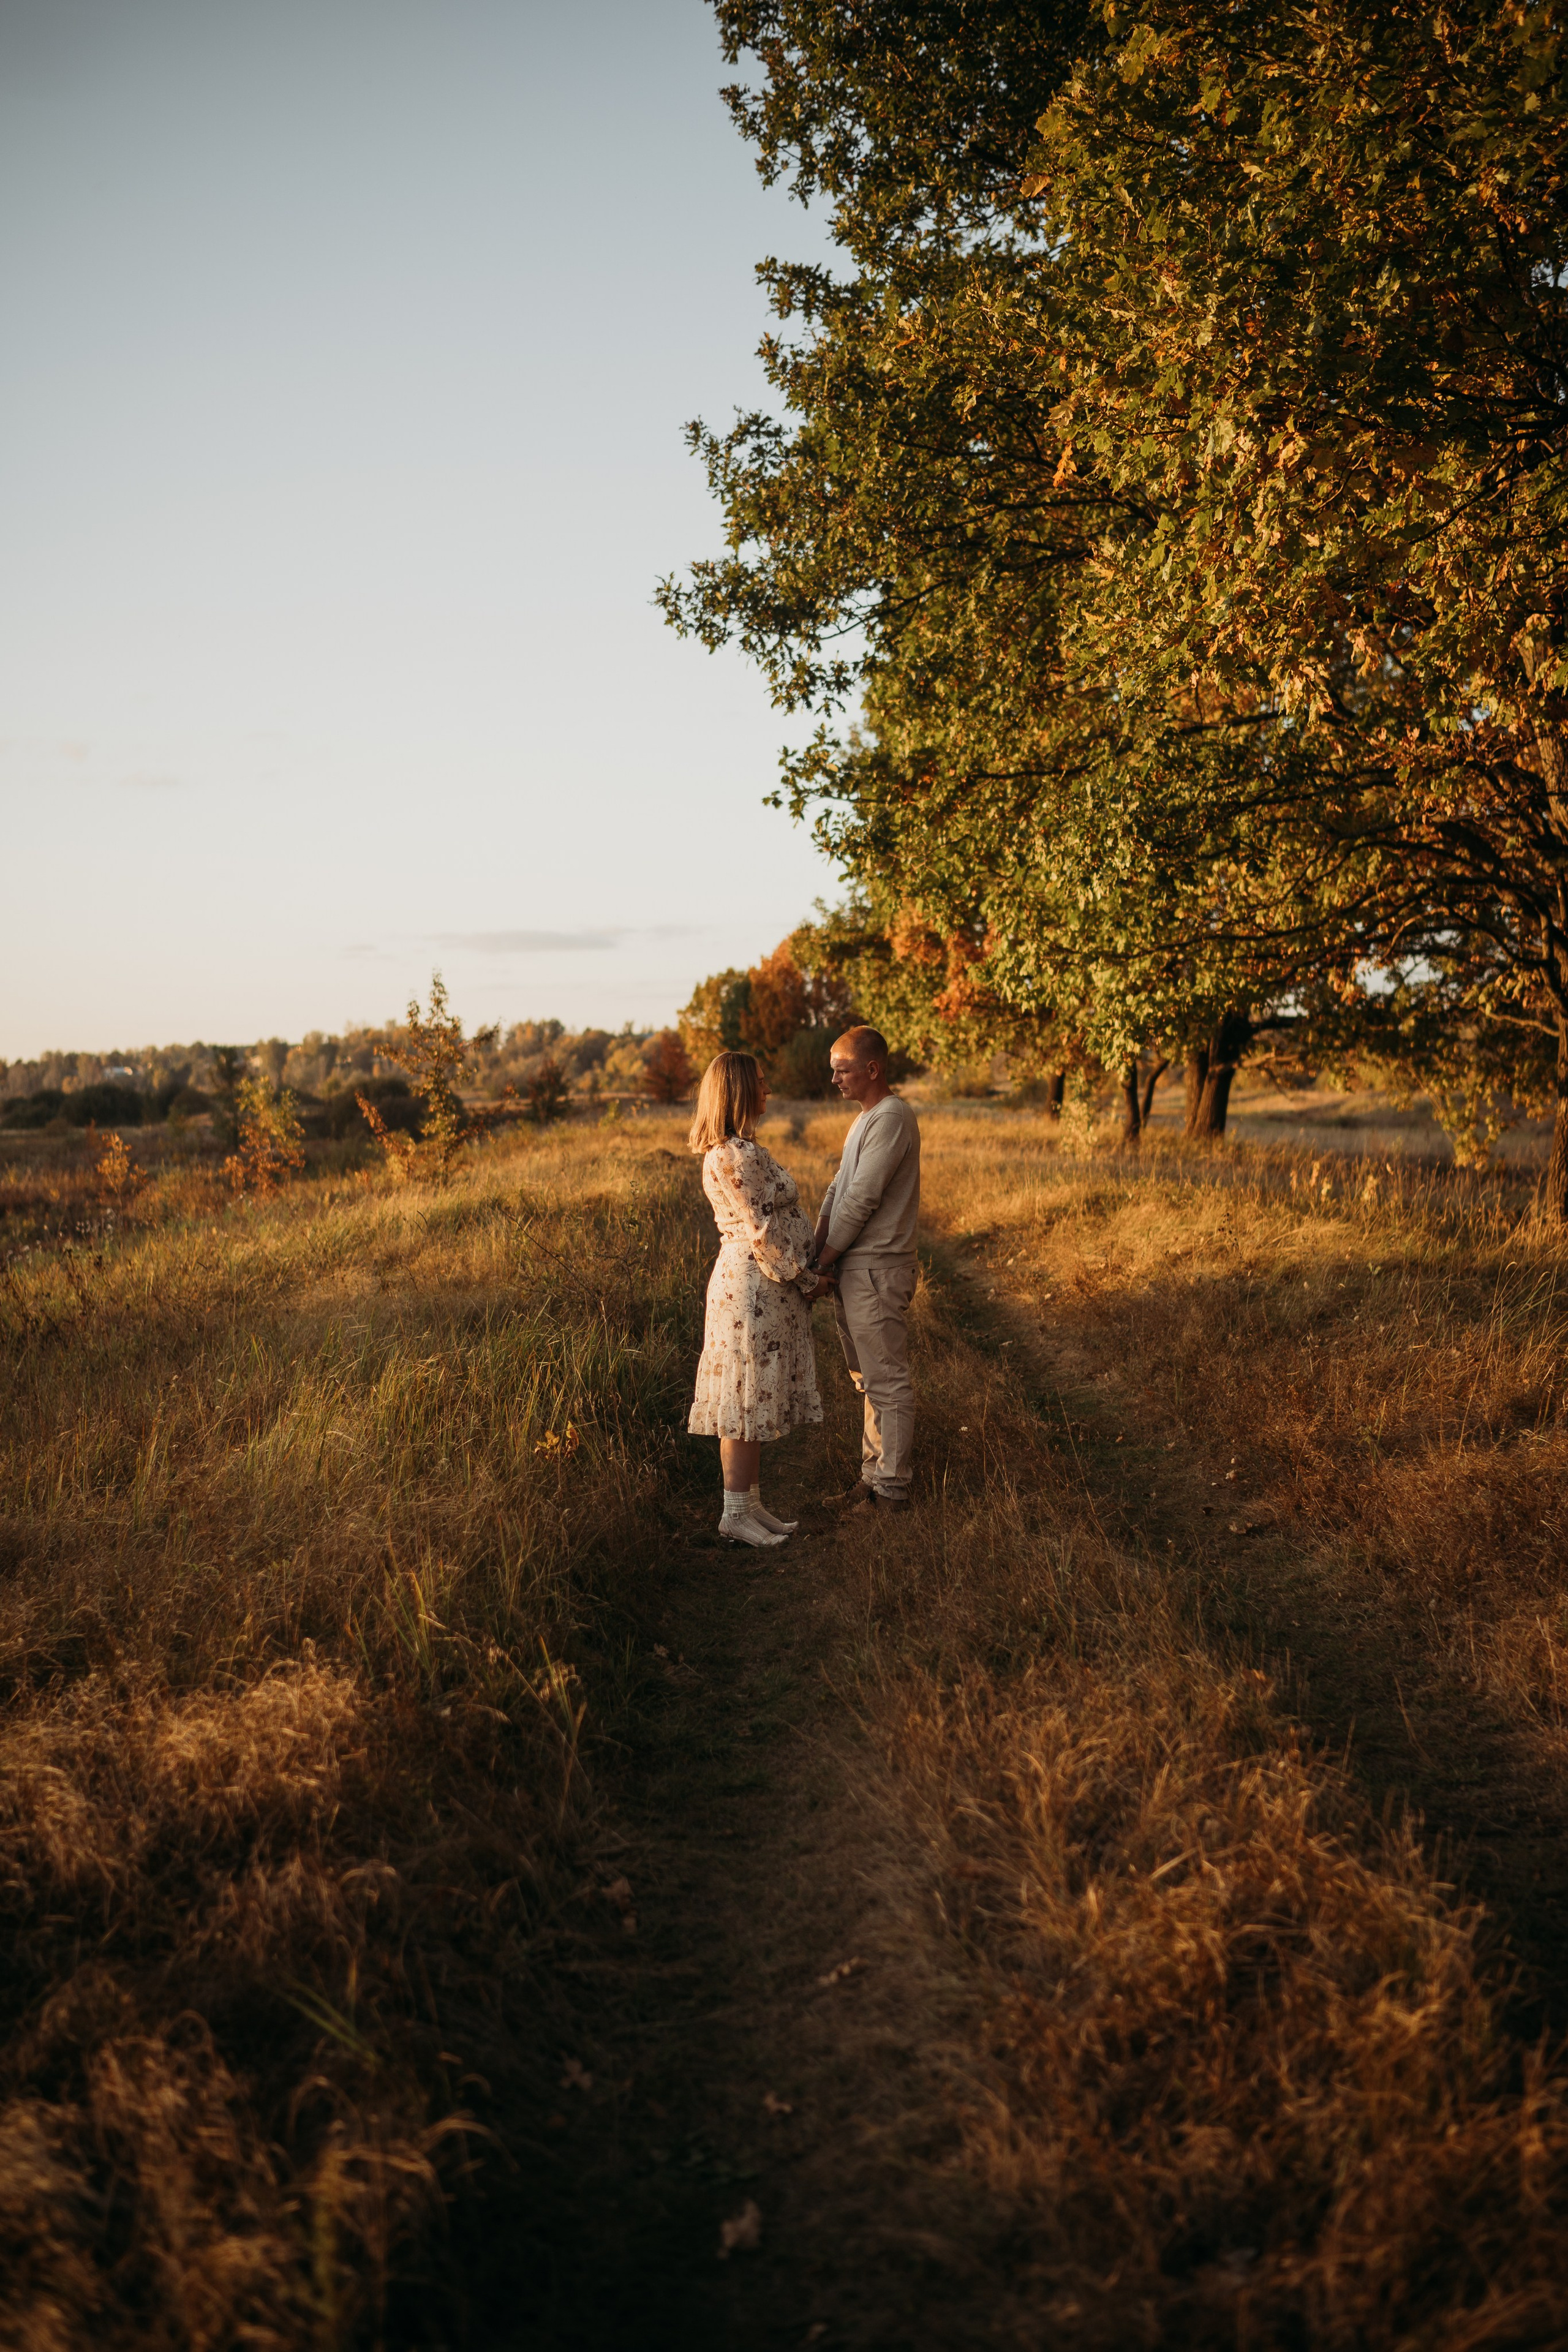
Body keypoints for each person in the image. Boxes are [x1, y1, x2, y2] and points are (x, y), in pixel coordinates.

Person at [687, 1050, 830, 1547]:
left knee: (751, 1397)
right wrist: (808, 1281)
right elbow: (763, 1233)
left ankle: (751, 1505)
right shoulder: (735, 1154)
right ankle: (735, 1513)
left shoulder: (738, 1150)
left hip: (760, 1287)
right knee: (743, 1402)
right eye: (762, 1083)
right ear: (740, 1090)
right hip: (753, 1289)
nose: (768, 1090)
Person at [809, 1027, 921, 1513]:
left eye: (842, 1068)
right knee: (867, 1380)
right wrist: (816, 1255)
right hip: (852, 1265)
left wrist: (825, 1259)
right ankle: (872, 1479)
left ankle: (892, 1492)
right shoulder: (863, 1120)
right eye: (832, 1068)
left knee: (887, 1381)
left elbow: (863, 1198)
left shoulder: (892, 1116)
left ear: (872, 1069)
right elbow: (837, 1190)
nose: (833, 1078)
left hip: (877, 1267)